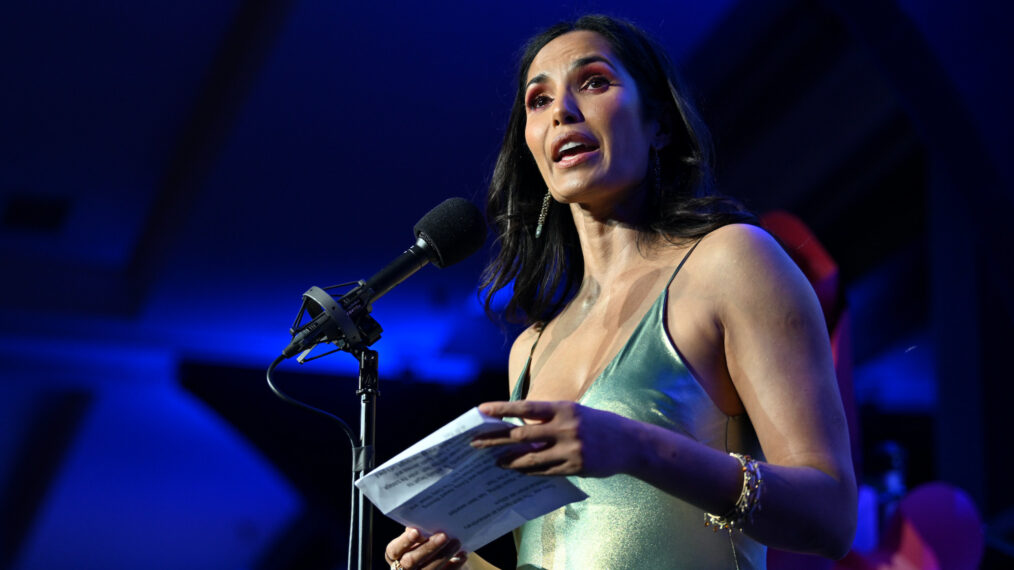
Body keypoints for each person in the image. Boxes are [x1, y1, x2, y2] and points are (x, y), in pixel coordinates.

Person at [385, 14, 856, 570]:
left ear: (658, 122)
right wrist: (462, 566)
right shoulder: (529, 349)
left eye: (593, 82)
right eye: (538, 100)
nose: (562, 110)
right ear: (533, 149)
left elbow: (831, 516)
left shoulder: (733, 261)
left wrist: (635, 446)